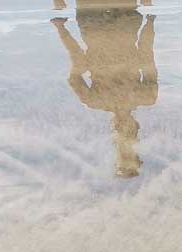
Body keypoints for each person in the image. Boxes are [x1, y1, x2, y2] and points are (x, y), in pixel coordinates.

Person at [52, 0, 158, 178]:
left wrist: (150, 21)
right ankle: (126, 163)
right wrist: (62, 31)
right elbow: (74, 75)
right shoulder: (95, 101)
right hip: (101, 23)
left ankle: (126, 163)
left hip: (113, 21)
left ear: (136, 127)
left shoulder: (146, 97)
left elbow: (147, 53)